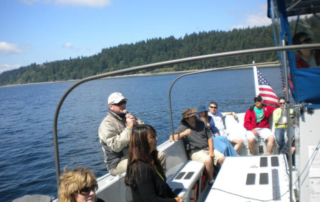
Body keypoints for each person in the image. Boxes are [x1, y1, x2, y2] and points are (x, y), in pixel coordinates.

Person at [98, 92, 165, 176]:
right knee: (143, 162)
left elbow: (145, 132)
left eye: (124, 102)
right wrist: (129, 128)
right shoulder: (106, 124)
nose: (123, 105)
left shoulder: (128, 117)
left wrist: (136, 123)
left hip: (136, 155)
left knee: (160, 156)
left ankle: (160, 183)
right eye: (119, 103)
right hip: (118, 162)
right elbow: (115, 146)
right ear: (111, 106)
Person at [125, 124, 183, 202]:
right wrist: (174, 201)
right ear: (142, 142)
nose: (156, 139)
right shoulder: (141, 168)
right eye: (152, 137)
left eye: (155, 136)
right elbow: (151, 200)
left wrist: (174, 196)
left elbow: (163, 184)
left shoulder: (152, 160)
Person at [170, 108, 225, 183]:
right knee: (208, 160)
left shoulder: (201, 123)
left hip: (207, 148)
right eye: (192, 116)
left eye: (195, 115)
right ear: (187, 119)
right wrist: (184, 133)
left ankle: (223, 177)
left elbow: (209, 138)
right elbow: (171, 137)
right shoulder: (183, 127)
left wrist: (211, 151)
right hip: (195, 152)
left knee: (222, 158)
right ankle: (211, 180)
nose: (195, 117)